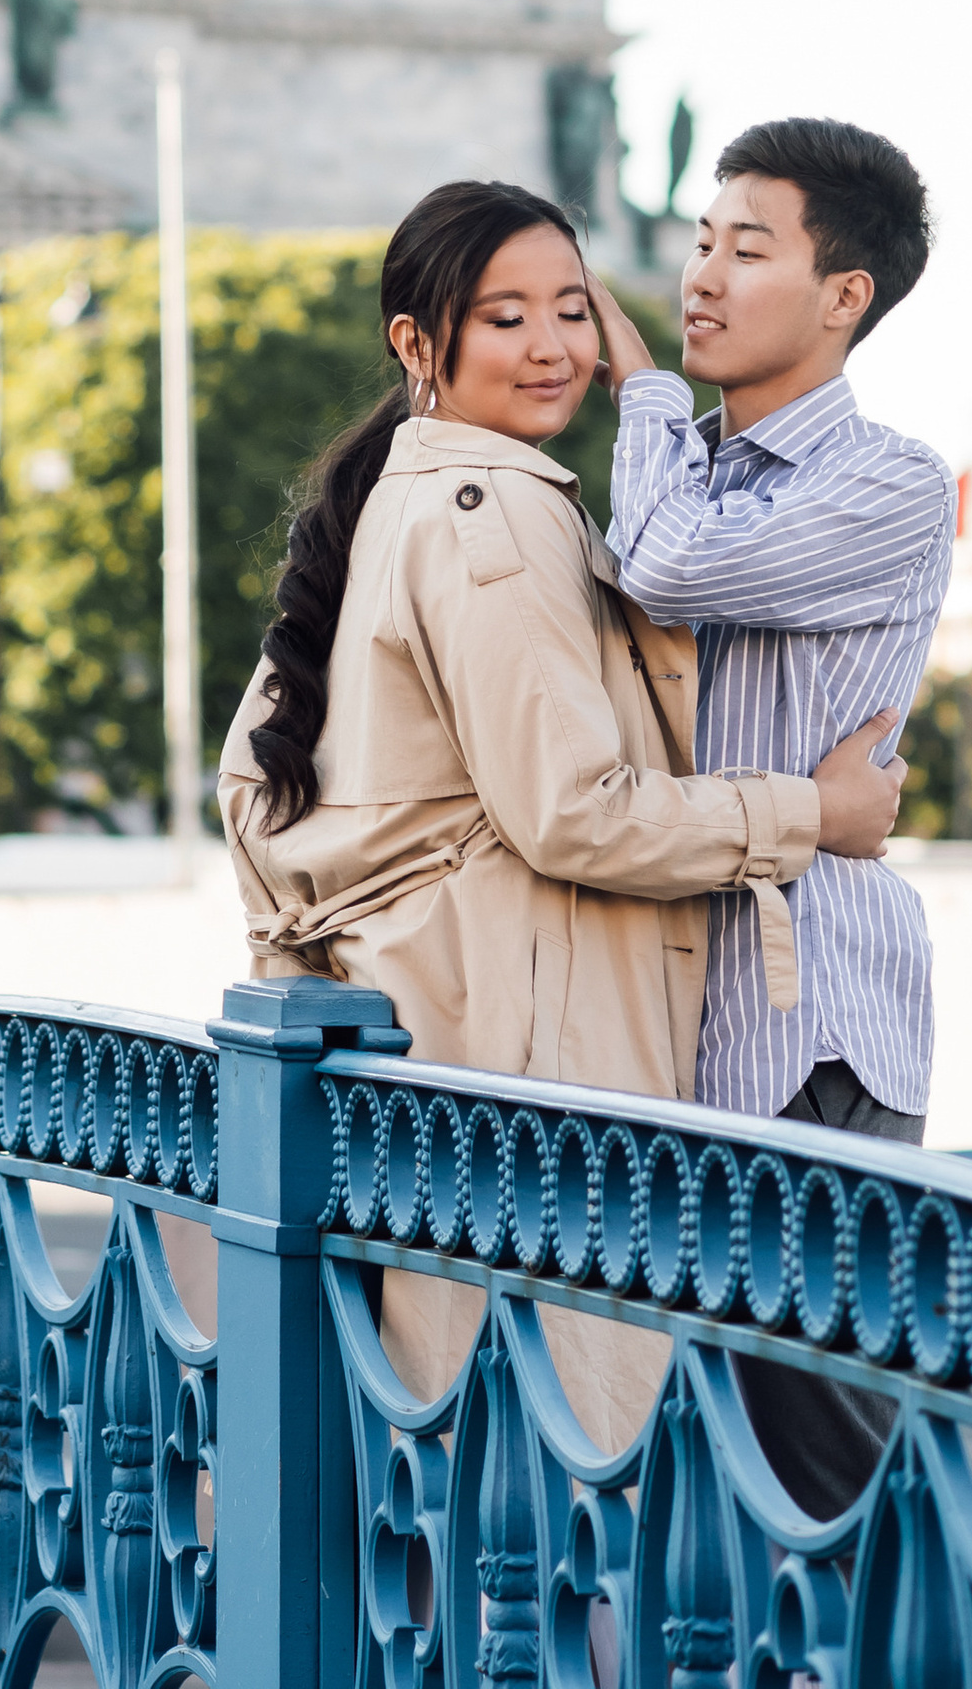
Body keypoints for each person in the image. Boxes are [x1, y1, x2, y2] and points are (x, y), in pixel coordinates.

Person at [216, 177, 903, 1451]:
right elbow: (575, 815)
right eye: (502, 319)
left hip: (444, 1048)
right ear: (418, 345)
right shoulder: (498, 515)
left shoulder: (403, 498)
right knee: (562, 1487)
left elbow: (255, 789)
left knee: (457, 1495)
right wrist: (814, 810)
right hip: (536, 1065)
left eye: (570, 311)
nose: (549, 348)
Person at [600, 113, 950, 1509]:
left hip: (807, 1027)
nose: (699, 277)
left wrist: (632, 395)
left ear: (843, 293)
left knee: (825, 1470)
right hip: (669, 1019)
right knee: (687, 1477)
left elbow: (674, 570)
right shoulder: (682, 469)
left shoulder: (890, 481)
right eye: (698, 243)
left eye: (748, 248)